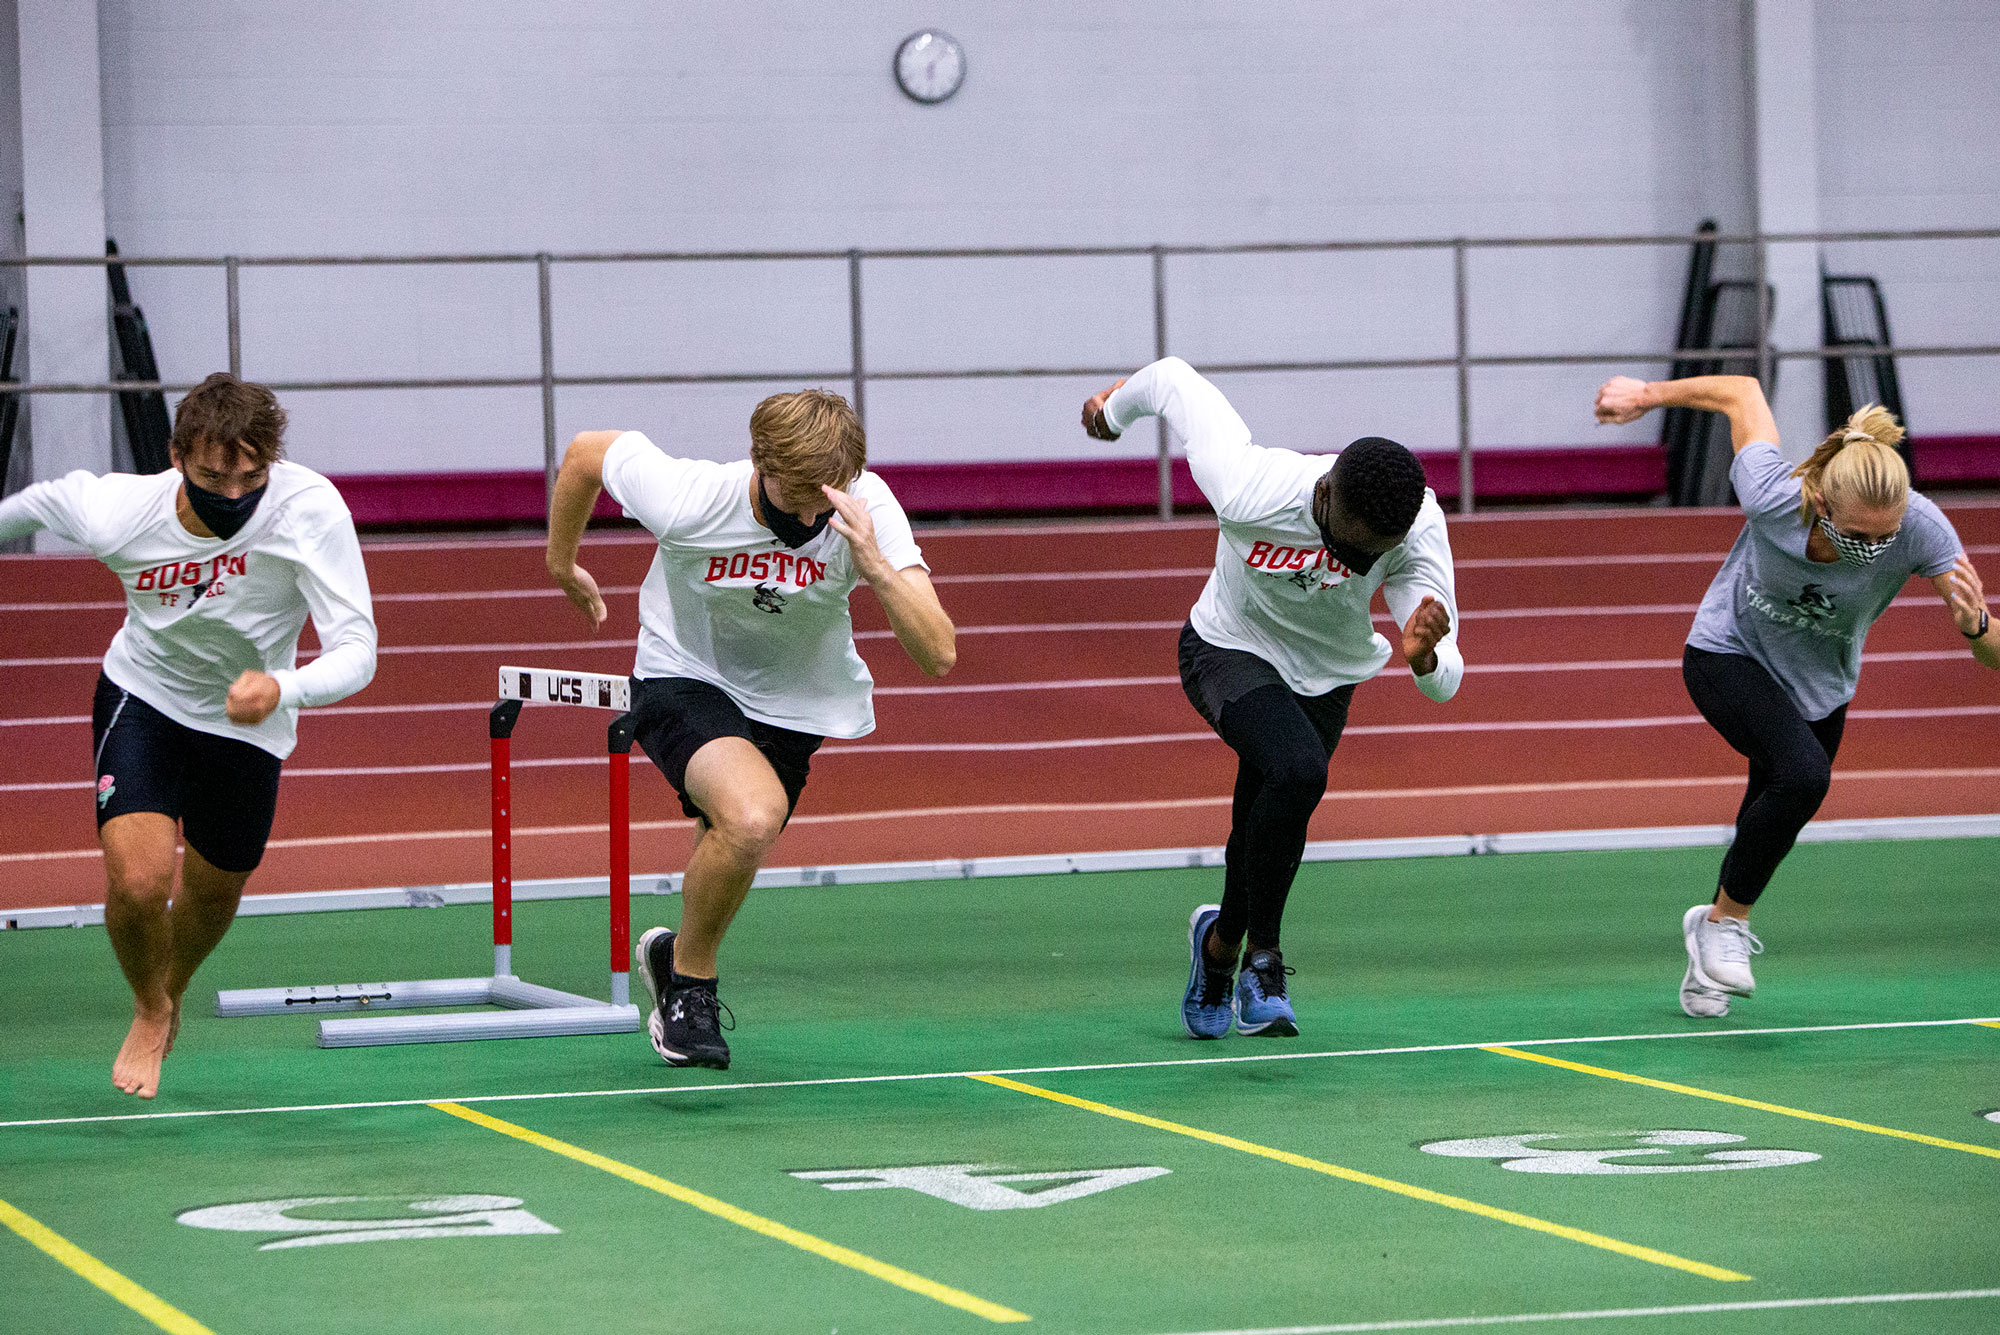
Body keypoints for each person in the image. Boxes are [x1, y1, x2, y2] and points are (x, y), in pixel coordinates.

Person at [546, 388, 954, 1070]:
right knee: (751, 815)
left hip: (794, 704)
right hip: (684, 671)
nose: (807, 517)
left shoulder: (866, 507)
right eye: (793, 498)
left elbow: (938, 652)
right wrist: (562, 562)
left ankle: (669, 956)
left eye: (822, 500)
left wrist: (875, 562)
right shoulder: (691, 497)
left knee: (732, 838)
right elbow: (587, 452)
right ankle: (691, 989)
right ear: (758, 460)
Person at [0, 373, 378, 1098]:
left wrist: (284, 685)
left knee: (211, 891)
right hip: (145, 697)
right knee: (139, 884)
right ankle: (148, 1007)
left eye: (250, 476)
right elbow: (37, 503)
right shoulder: (121, 512)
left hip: (250, 718)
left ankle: (171, 985)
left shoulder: (309, 509)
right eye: (212, 475)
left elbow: (359, 648)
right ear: (176, 456)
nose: (233, 494)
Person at [1082, 357, 1461, 1039]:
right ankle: (1264, 961)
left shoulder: (1415, 526)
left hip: (1326, 673)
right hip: (1227, 646)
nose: (1354, 566)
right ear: (1324, 501)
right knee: (1297, 771)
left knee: (1265, 814)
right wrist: (1111, 415)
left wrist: (1427, 655)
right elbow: (1174, 380)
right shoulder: (1251, 485)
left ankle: (1219, 946)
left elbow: (1444, 677)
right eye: (1347, 549)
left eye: (1371, 557)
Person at [1594, 374, 1994, 1017]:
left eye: (1887, 535)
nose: (1877, 548)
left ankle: (1707, 960)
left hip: (1820, 687)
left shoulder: (1922, 529)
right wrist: (1645, 394)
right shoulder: (1773, 494)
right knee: (1804, 775)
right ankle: (1722, 927)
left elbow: (1993, 655)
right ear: (1822, 503)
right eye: (1861, 535)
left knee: (1771, 814)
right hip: (1727, 653)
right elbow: (1743, 394)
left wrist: (1975, 626)